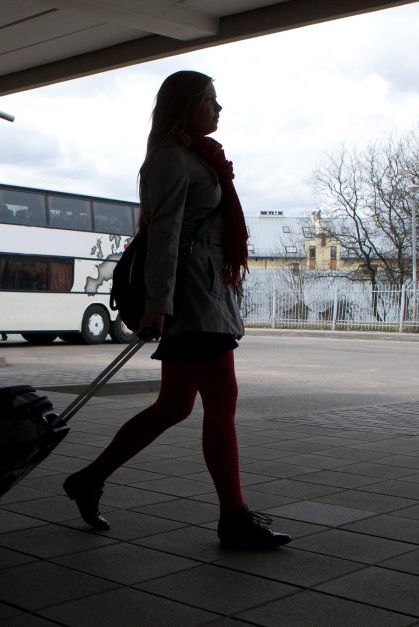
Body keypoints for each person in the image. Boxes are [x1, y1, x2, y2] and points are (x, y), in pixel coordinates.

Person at [62, 71, 291, 550]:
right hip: (190, 302)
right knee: (220, 402)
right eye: (209, 99)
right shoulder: (169, 161)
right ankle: (233, 517)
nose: (219, 108)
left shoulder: (195, 157)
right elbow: (162, 236)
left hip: (203, 295)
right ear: (184, 106)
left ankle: (89, 479)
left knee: (174, 405)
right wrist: (159, 306)